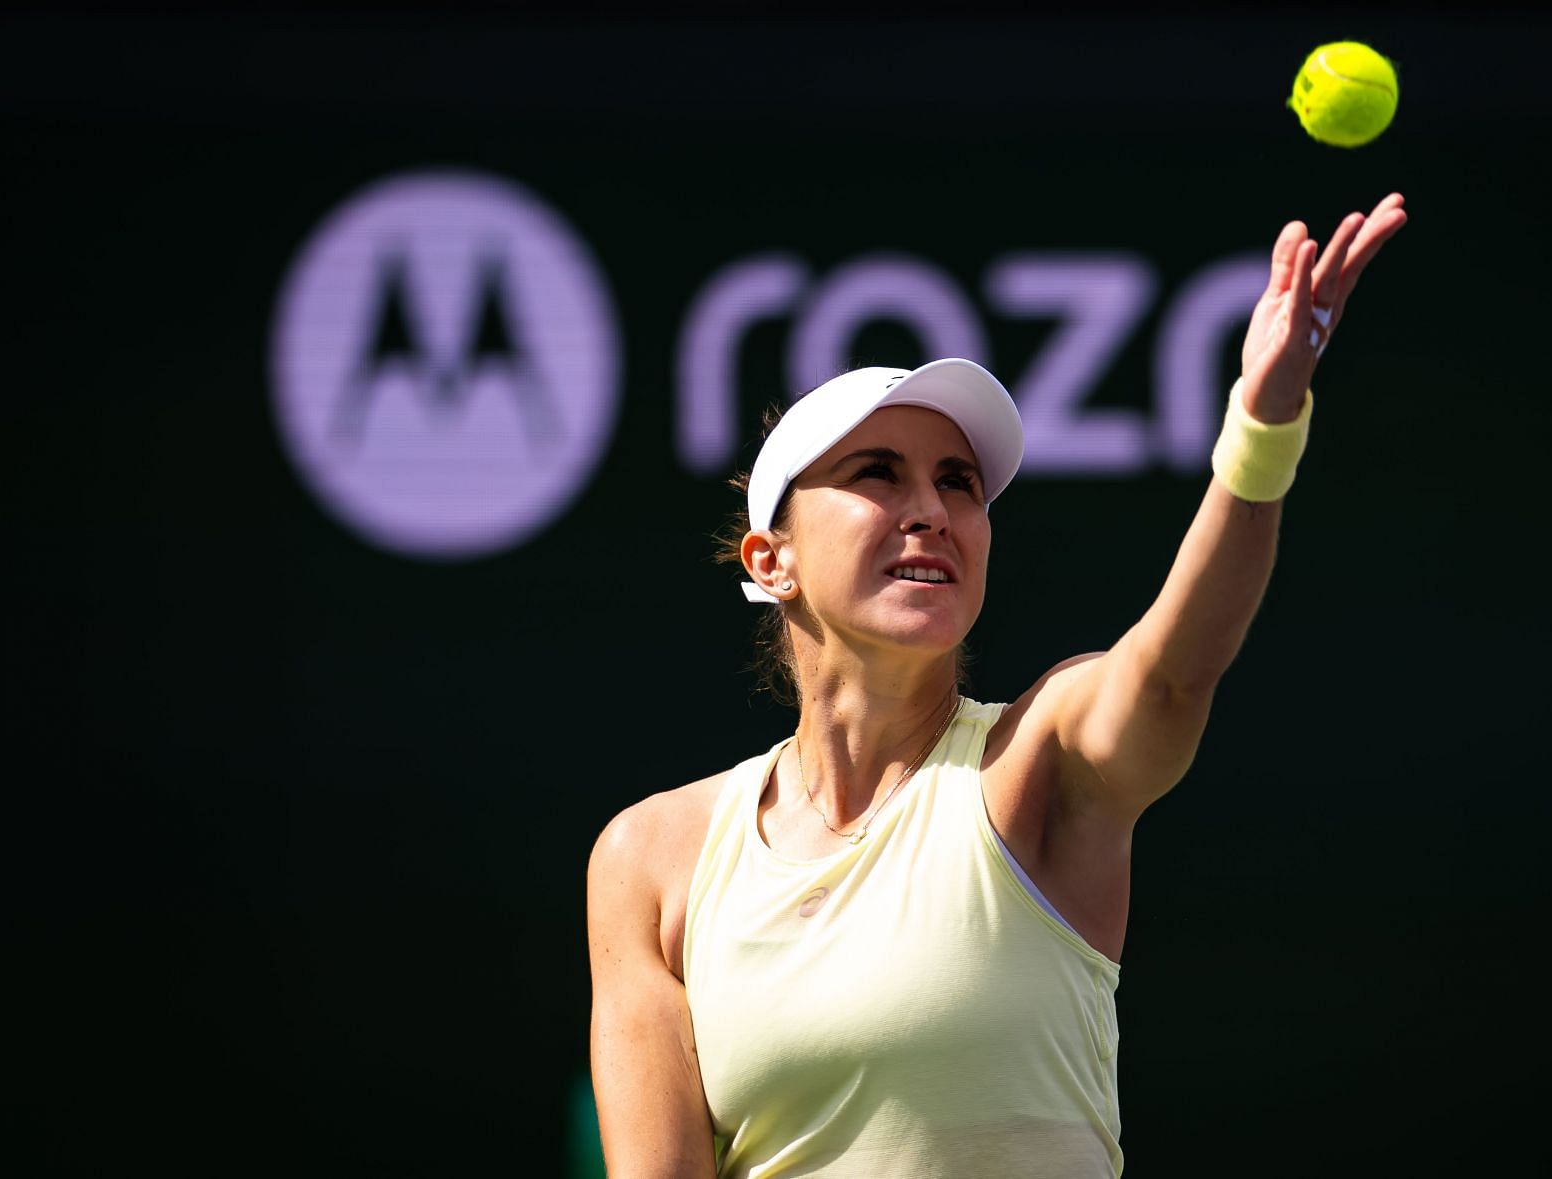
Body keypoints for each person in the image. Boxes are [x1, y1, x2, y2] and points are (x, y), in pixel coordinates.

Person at [587, 194, 1409, 1178]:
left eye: (960, 484)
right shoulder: (649, 862)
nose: (930, 508)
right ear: (772, 561)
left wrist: (1263, 429)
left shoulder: (1041, 763)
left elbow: (1175, 672)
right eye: (878, 474)